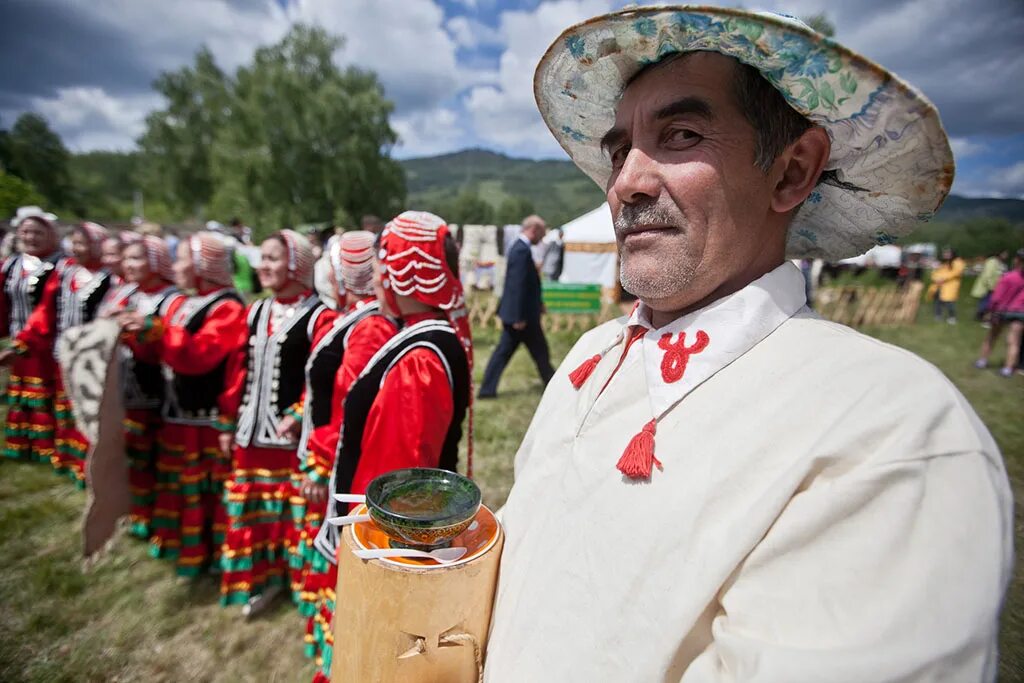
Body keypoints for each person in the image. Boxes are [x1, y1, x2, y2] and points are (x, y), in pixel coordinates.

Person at [484, 7, 1012, 682]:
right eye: (620, 151)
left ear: (792, 173)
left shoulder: (889, 432)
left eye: (681, 134)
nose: (625, 183)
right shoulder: (591, 357)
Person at [312, 210, 473, 683]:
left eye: (384, 264)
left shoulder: (418, 360)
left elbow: (395, 480)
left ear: (406, 272)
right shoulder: (424, 339)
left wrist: (366, 556)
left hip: (386, 550)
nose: (377, 276)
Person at [290, 230, 397, 666]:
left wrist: (319, 462)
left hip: (334, 462)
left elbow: (349, 407)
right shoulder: (353, 319)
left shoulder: (368, 326)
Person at [216, 230, 333, 616]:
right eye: (261, 258)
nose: (262, 266)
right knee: (256, 514)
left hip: (292, 442)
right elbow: (239, 372)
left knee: (292, 516)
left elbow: (324, 378)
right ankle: (262, 581)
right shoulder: (256, 311)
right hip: (252, 434)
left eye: (272, 259)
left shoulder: (319, 315)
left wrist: (300, 412)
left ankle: (296, 583)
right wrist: (227, 421)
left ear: (296, 264)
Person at [126, 232, 246, 578]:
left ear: (202, 266)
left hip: (205, 423)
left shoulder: (228, 307)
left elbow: (199, 355)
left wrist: (157, 331)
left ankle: (212, 555)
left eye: (181, 260)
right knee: (179, 487)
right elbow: (161, 351)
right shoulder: (180, 303)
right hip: (176, 417)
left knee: (206, 494)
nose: (174, 267)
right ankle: (183, 547)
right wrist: (137, 335)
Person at [10, 221, 114, 485]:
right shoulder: (66, 271)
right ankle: (69, 460)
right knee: (67, 411)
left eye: (84, 243)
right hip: (63, 355)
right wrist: (24, 342)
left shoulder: (110, 278)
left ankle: (92, 467)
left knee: (91, 413)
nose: (77, 249)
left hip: (94, 359)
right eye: (75, 243)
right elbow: (45, 311)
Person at [109, 236, 179, 538]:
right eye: (127, 259)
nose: (129, 265)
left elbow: (168, 345)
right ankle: (133, 512)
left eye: (137, 258)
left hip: (156, 393)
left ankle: (151, 517)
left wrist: (142, 332)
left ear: (157, 262)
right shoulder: (125, 293)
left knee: (151, 457)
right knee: (128, 456)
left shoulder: (171, 299)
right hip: (123, 389)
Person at [0, 207, 63, 466]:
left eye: (38, 232)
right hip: (18, 335)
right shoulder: (12, 264)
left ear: (50, 235)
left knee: (46, 394)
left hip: (47, 343)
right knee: (21, 393)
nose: (31, 237)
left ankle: (47, 445)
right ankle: (23, 443)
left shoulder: (60, 265)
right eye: (26, 232)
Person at [478, 214, 555, 398]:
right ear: (534, 230)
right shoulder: (521, 250)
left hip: (524, 314)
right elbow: (517, 285)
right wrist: (518, 316)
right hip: (522, 317)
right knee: (521, 353)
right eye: (542, 234)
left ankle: (552, 384)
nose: (542, 238)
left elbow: (526, 284)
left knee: (538, 353)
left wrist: (538, 304)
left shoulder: (520, 248)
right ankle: (553, 385)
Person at [975, 249, 1024, 378]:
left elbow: (996, 297)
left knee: (992, 337)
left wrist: (990, 310)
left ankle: (982, 361)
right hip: (1020, 313)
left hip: (1001, 310)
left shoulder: (1009, 277)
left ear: (1017, 260)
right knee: (1014, 341)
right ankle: (1008, 369)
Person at [929, 247, 965, 324]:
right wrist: (936, 277)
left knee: (950, 302)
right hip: (939, 286)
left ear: (952, 253)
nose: (945, 254)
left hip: (950, 287)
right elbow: (936, 273)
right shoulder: (944, 263)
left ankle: (952, 317)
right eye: (944, 253)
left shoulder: (958, 262)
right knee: (937, 301)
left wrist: (943, 278)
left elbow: (956, 272)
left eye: (947, 253)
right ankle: (938, 315)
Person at [972, 250, 1009, 323]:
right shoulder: (992, 261)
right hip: (989, 286)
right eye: (1004, 254)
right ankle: (980, 316)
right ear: (999, 253)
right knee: (986, 302)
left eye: (1006, 254)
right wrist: (990, 285)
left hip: (995, 286)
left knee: (988, 302)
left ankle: (981, 316)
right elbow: (988, 274)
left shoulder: (999, 263)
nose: (1006, 256)